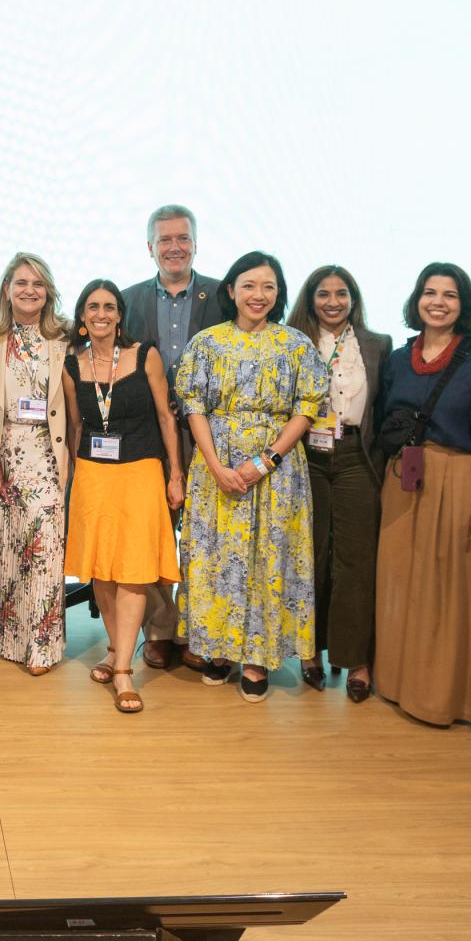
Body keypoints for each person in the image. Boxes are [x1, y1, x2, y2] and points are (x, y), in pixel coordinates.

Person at [173, 252, 326, 703]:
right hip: (214, 466)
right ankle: (219, 649)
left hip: (276, 471)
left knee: (267, 559)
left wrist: (266, 460)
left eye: (269, 287)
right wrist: (216, 465)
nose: (258, 295)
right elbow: (193, 406)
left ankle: (257, 657)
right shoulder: (207, 342)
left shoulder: (295, 343)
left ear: (278, 294)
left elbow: (307, 407)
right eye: (250, 285)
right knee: (217, 556)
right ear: (231, 291)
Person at [372, 263, 471, 734]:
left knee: (451, 590)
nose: (438, 302)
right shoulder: (396, 357)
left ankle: (446, 698)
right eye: (430, 292)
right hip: (403, 479)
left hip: (458, 477)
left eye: (449, 295)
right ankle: (396, 683)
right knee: (401, 580)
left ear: (463, 304)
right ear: (416, 300)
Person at [61, 280, 183, 713]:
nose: (101, 314)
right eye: (92, 307)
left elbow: (167, 420)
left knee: (132, 570)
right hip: (93, 474)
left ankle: (125, 671)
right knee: (101, 571)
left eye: (109, 307)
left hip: (141, 471)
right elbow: (76, 427)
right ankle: (117, 650)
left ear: (120, 315)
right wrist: (71, 481)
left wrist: (176, 474)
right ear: (81, 317)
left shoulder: (144, 355)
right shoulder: (71, 366)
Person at [120, 203, 226, 670]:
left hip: (213, 434)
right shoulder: (128, 299)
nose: (174, 247)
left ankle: (198, 629)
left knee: (205, 534)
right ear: (150, 248)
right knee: (155, 529)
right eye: (165, 240)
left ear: (195, 245)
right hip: (149, 432)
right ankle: (161, 629)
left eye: (182, 239)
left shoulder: (224, 295)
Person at [285, 265, 391, 702]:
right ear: (310, 300)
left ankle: (356, 660)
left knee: (356, 562)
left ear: (353, 298)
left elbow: (383, 407)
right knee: (311, 557)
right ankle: (309, 652)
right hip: (304, 456)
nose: (333, 302)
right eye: (324, 294)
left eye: (341, 293)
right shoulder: (291, 342)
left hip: (354, 458)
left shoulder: (378, 345)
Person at [0, 253, 73, 675]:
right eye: (20, 283)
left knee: (45, 547)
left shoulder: (64, 336)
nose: (29, 290)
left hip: (47, 453)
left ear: (47, 290)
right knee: (6, 546)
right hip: (3, 453)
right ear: (6, 289)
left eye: (37, 283)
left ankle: (41, 647)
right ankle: (0, 635)